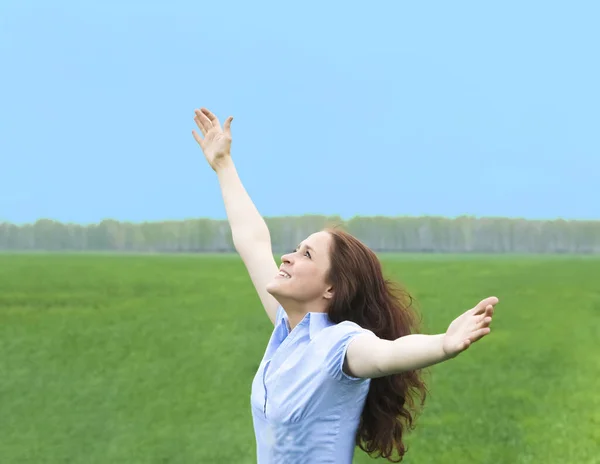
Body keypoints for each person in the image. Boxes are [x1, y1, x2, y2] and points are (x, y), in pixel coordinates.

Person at [192, 107, 499, 463]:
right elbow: (253, 242)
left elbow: (386, 354)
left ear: (331, 289)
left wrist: (443, 344)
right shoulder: (286, 329)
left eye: (306, 255)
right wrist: (223, 165)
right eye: (294, 249)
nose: (287, 257)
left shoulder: (339, 344)